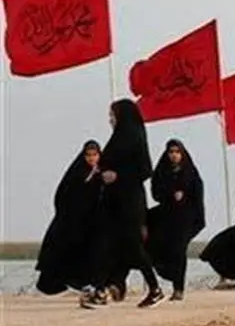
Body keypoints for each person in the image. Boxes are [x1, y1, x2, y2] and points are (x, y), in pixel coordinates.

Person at [84, 99, 164, 309]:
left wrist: (117, 175)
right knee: (104, 244)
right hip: (112, 201)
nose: (110, 120)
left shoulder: (134, 137)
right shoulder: (118, 138)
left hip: (129, 202)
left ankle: (155, 289)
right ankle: (100, 290)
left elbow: (144, 170)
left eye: (113, 115)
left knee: (134, 247)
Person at [35, 140, 104, 296]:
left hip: (91, 221)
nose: (91, 158)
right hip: (71, 220)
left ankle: (88, 283)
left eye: (95, 155)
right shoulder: (77, 171)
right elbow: (65, 193)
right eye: (88, 155)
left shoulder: (102, 172)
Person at [147, 138, 207, 301]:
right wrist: (170, 194)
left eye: (177, 152)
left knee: (179, 250)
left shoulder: (191, 173)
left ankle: (178, 289)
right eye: (171, 152)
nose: (174, 155)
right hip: (167, 215)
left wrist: (185, 197)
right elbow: (156, 193)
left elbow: (198, 196)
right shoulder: (162, 171)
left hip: (186, 217)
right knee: (157, 245)